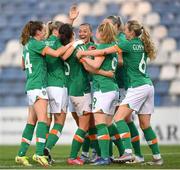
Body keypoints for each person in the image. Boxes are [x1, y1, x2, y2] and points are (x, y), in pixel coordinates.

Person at [77, 20, 163, 165]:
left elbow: (103, 51)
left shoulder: (126, 44)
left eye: (125, 30)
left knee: (119, 119)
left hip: (136, 86)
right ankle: (157, 157)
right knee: (145, 125)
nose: (123, 32)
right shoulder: (142, 44)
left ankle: (127, 153)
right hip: (148, 85)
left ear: (130, 32)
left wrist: (84, 53)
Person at [15, 20, 81, 167]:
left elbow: (23, 66)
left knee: (31, 122)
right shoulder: (37, 44)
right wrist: (73, 43)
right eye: (43, 30)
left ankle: (21, 155)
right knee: (44, 120)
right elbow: (58, 53)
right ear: (37, 32)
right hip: (38, 86)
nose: (45, 32)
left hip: (31, 85)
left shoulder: (27, 45)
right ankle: (39, 153)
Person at [78, 22, 120, 165]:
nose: (96, 34)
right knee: (108, 124)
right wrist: (86, 60)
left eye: (97, 31)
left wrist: (83, 58)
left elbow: (95, 66)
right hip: (112, 88)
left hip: (103, 89)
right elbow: (95, 67)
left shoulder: (102, 47)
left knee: (100, 124)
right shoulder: (112, 48)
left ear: (102, 34)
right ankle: (121, 152)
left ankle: (104, 157)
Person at [104, 16, 144, 163]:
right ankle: (121, 152)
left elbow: (120, 62)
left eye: (107, 23)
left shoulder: (122, 39)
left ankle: (136, 154)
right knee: (110, 120)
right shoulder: (110, 39)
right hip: (113, 84)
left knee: (125, 120)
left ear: (116, 25)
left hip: (123, 84)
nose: (104, 26)